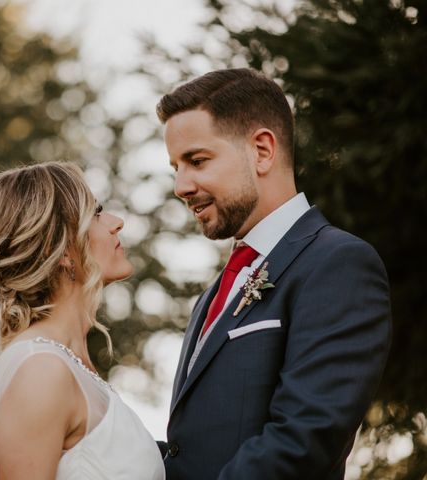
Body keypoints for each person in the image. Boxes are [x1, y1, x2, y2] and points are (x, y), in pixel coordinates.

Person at [155, 68, 391, 479]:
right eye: (176, 166)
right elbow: (191, 449)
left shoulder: (337, 263)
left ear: (262, 150)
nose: (181, 185)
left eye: (197, 160)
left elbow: (305, 439)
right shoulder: (213, 295)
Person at [0, 162, 165, 479]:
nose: (116, 222)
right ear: (59, 250)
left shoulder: (68, 364)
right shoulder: (40, 369)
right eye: (96, 214)